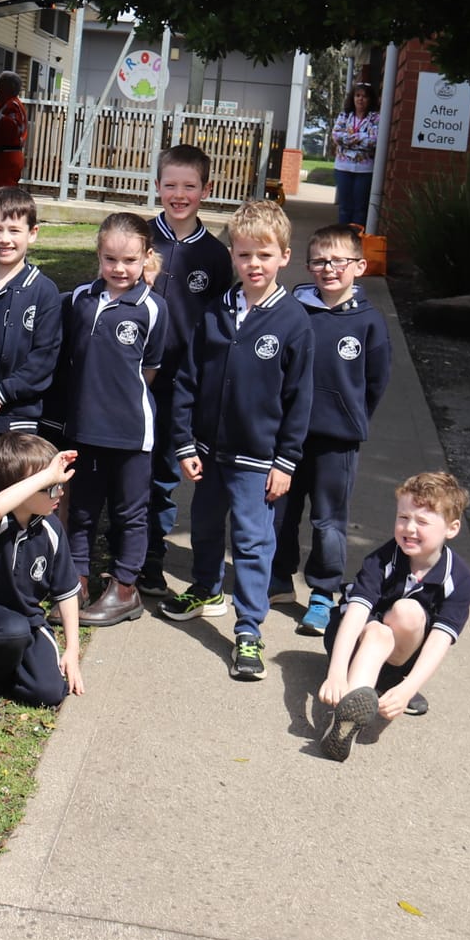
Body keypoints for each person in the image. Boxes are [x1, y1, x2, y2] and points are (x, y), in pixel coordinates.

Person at [164, 200, 314, 684]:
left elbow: (299, 400)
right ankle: (206, 589)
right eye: (245, 254)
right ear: (233, 255)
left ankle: (248, 629)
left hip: (258, 458)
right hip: (207, 452)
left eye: (264, 255)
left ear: (284, 257)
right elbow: (187, 380)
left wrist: (286, 462)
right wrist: (184, 443)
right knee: (205, 526)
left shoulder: (293, 321)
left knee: (252, 542)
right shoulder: (216, 312)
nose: (254, 264)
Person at [273, 225, 392, 636]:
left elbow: (375, 382)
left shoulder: (369, 322)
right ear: (307, 266)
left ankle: (323, 592)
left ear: (359, 266)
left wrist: (350, 417)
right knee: (281, 513)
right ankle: (279, 579)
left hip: (336, 442)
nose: (329, 269)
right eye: (320, 261)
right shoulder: (293, 310)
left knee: (327, 521)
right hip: (289, 435)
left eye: (338, 261)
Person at [54, 214, 168, 627]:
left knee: (130, 513)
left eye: (129, 260)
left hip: (131, 432)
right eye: (110, 259)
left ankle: (124, 588)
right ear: (98, 255)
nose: (119, 269)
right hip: (84, 428)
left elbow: (149, 370)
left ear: (146, 258)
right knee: (82, 510)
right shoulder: (80, 300)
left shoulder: (153, 308)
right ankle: (77, 582)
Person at [318, 473, 470, 761]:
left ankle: (387, 683)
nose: (409, 528)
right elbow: (355, 615)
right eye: (403, 517)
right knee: (379, 633)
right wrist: (337, 672)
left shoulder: (461, 579)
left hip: (403, 653)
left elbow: (440, 641)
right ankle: (342, 720)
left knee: (409, 612)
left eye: (422, 522)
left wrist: (408, 689)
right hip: (350, 642)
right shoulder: (381, 560)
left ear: (451, 529)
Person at [140, 145, 234, 596]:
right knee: (129, 466)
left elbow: (218, 324)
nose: (179, 194)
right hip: (133, 377)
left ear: (205, 190)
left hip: (181, 384)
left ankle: (152, 556)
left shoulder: (216, 257)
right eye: (170, 185)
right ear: (157, 186)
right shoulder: (137, 238)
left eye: (189, 186)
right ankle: (124, 549)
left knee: (163, 472)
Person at [0, 433, 83, 709]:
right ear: (23, 490)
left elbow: (66, 590)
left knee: (49, 693)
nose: (59, 492)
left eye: (60, 485)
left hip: (29, 622)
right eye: (51, 487)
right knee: (13, 630)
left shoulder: (51, 529)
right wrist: (45, 475)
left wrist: (72, 650)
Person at [0, 185, 63, 434]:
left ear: (33, 233)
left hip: (18, 416)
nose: (5, 239)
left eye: (15, 230)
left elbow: (44, 358)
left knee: (14, 474)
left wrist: (0, 393)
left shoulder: (44, 291)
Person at [330, 82, 380, 229]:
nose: (360, 99)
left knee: (360, 208)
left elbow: (374, 141)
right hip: (343, 168)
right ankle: (343, 239)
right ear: (353, 98)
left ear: (370, 99)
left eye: (364, 96)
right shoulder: (344, 116)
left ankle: (356, 240)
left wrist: (349, 139)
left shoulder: (375, 118)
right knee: (345, 207)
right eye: (358, 95)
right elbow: (336, 136)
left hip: (365, 170)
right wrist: (361, 137)